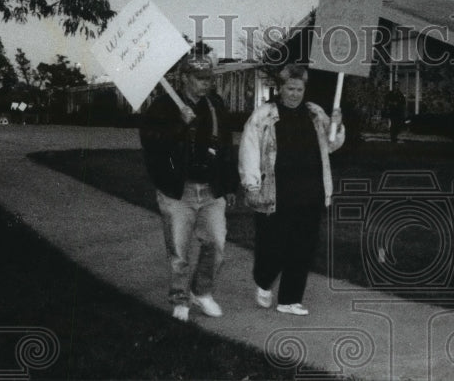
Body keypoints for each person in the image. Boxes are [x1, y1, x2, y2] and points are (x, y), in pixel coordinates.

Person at [239, 64, 344, 316]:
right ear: (281, 88)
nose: (295, 94)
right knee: (272, 246)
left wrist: (337, 127)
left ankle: (290, 299)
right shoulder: (264, 115)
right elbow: (249, 149)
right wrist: (251, 184)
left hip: (310, 192)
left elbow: (332, 145)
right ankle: (264, 280)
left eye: (299, 89)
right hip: (276, 193)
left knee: (303, 246)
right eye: (290, 88)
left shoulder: (315, 113)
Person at [139, 55, 237, 322]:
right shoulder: (163, 106)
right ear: (184, 78)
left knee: (216, 244)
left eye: (209, 79)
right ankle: (180, 298)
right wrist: (179, 123)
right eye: (199, 79)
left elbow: (226, 147)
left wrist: (229, 185)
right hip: (177, 191)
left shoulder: (215, 105)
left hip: (210, 190)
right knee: (179, 252)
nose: (205, 84)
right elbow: (152, 143)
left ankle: (201, 291)